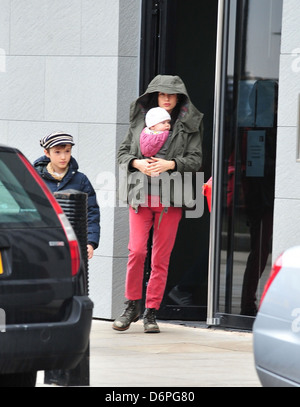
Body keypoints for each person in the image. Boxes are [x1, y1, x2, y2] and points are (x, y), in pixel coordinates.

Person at [113, 74, 204, 333]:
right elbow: (122, 153)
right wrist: (136, 162)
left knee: (160, 258)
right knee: (137, 251)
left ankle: (151, 312)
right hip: (140, 196)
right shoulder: (140, 121)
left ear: (179, 98)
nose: (166, 98)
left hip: (170, 200)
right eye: (162, 94)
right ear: (154, 96)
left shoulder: (189, 124)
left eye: (171, 94)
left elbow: (196, 159)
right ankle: (131, 306)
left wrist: (171, 164)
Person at [34, 131, 100, 259]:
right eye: (57, 152)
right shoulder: (34, 178)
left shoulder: (81, 180)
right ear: (47, 153)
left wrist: (90, 242)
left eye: (67, 151)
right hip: (42, 243)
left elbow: (91, 212)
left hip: (73, 244)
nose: (63, 157)